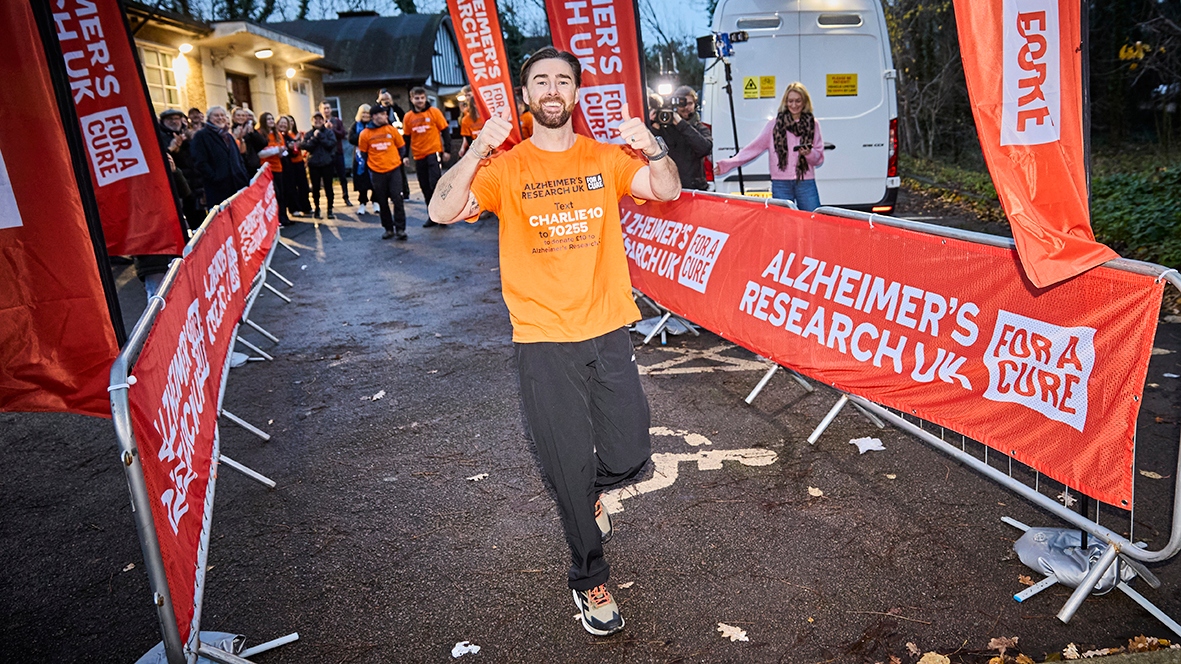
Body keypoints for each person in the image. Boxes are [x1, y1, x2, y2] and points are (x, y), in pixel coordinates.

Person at [428, 46, 680, 637]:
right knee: (567, 465)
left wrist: (654, 147)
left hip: (607, 327)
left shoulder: (605, 157)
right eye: (539, 80)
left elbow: (665, 190)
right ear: (526, 96)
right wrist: (477, 149)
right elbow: (442, 210)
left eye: (562, 80)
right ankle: (590, 577)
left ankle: (590, 490)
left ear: (574, 94)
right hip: (541, 339)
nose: (551, 88)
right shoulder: (506, 167)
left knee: (629, 454)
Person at [715, 81, 824, 211]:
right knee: (783, 222)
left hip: (805, 182)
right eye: (790, 101)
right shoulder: (774, 124)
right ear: (785, 102)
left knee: (813, 220)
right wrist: (728, 164)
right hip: (781, 183)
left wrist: (809, 154)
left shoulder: (813, 124)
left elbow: (819, 159)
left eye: (798, 101)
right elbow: (753, 149)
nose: (794, 105)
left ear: (805, 102)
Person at [357, 106, 408, 240]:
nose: (385, 116)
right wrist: (374, 165)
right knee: (382, 201)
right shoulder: (365, 134)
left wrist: (395, 161)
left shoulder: (392, 130)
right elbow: (363, 153)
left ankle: (400, 229)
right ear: (374, 116)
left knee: (397, 198)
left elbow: (401, 148)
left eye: (385, 114)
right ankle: (388, 229)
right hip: (377, 172)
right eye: (381, 114)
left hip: (394, 170)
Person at [402, 86, 451, 227]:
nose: (420, 101)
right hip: (418, 155)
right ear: (411, 99)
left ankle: (443, 215)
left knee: (435, 183)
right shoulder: (408, 117)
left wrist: (447, 150)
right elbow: (406, 138)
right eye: (417, 98)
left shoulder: (434, 112)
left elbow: (445, 131)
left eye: (422, 98)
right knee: (424, 186)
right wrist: (405, 155)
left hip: (433, 152)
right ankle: (433, 215)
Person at [650, 86, 713, 191]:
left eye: (689, 103)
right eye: (681, 104)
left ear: (695, 104)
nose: (686, 107)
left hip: (694, 189)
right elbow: (650, 150)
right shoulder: (665, 129)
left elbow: (705, 148)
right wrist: (654, 125)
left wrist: (680, 123)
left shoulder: (700, 128)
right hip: (669, 188)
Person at [190, 105, 249, 209]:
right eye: (216, 116)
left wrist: (243, 174)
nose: (220, 118)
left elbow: (238, 158)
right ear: (209, 118)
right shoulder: (201, 136)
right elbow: (200, 162)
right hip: (218, 188)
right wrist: (215, 177)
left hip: (237, 184)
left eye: (222, 115)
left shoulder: (228, 136)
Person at [159, 108, 206, 229]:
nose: (174, 122)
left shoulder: (188, 136)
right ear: (163, 122)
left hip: (195, 189)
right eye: (170, 119)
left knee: (201, 226)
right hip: (178, 192)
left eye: (177, 118)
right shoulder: (160, 138)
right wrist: (170, 149)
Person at [256, 112, 291, 226]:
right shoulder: (260, 134)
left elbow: (282, 149)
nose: (271, 121)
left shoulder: (277, 134)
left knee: (281, 193)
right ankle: (274, 220)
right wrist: (276, 150)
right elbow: (260, 153)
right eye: (268, 119)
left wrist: (281, 151)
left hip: (278, 167)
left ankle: (283, 217)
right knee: (272, 194)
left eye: (272, 119)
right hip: (266, 168)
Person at [304, 112, 339, 219]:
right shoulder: (309, 134)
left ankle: (330, 209)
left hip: (327, 163)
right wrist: (314, 138)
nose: (318, 121)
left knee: (328, 187)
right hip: (314, 164)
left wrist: (321, 136)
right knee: (315, 188)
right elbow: (306, 146)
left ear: (323, 121)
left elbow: (331, 144)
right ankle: (317, 208)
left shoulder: (329, 133)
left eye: (320, 119)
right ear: (312, 121)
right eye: (316, 119)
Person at [280, 115, 312, 217]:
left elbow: (300, 146)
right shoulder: (284, 135)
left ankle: (305, 206)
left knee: (303, 185)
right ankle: (294, 208)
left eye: (291, 121)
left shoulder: (296, 133)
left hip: (299, 161)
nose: (290, 123)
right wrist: (295, 142)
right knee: (292, 186)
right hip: (290, 163)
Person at [349, 104, 375, 215]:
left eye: (367, 113)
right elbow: (351, 138)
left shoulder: (374, 125)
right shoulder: (355, 126)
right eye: (363, 113)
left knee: (375, 181)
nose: (365, 115)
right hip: (360, 158)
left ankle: (376, 202)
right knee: (362, 182)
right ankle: (362, 203)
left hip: (374, 156)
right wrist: (363, 136)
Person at [456, 86, 485, 158]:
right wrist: (463, 147)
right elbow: (467, 134)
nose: (467, 98)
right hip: (473, 142)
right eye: (465, 95)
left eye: (468, 95)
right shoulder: (466, 113)